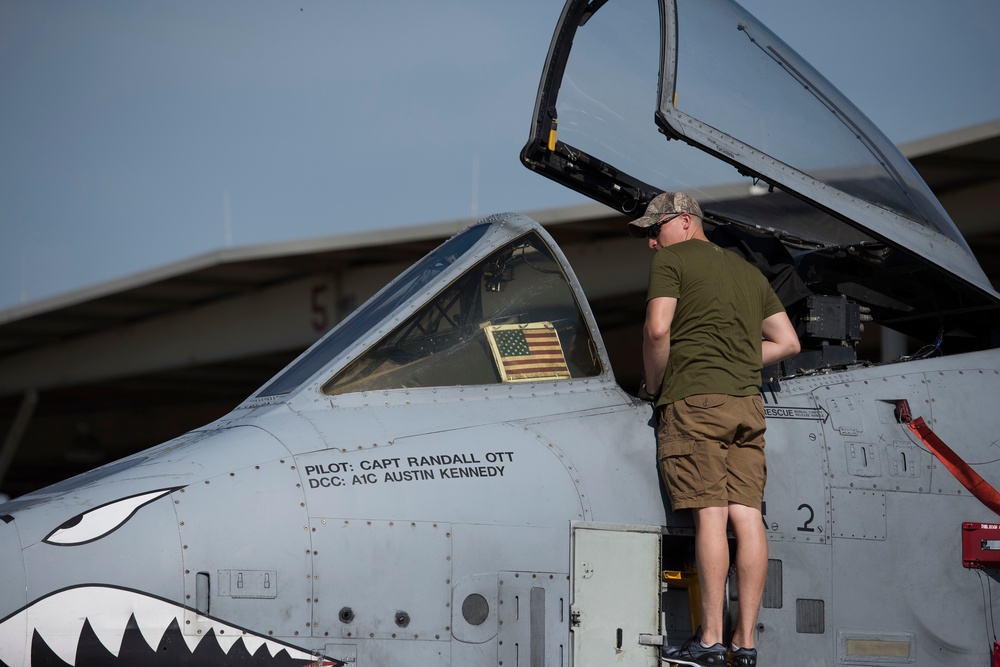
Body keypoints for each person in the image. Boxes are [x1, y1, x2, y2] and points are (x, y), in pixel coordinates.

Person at [630, 192, 800, 667]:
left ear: (685, 222)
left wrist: (656, 383)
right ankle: (744, 645)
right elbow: (787, 342)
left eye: (655, 228)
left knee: (710, 515)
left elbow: (658, 330)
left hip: (695, 402)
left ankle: (708, 640)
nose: (651, 242)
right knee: (747, 517)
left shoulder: (673, 261)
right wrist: (737, 359)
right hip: (747, 406)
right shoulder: (748, 273)